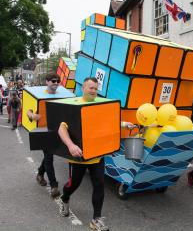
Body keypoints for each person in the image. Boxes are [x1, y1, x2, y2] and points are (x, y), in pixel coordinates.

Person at [58, 77, 128, 231]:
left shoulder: (100, 104)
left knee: (99, 185)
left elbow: (108, 121)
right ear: (83, 88)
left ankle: (96, 219)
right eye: (91, 88)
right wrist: (70, 145)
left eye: (96, 89)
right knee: (72, 185)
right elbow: (61, 128)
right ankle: (65, 198)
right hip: (79, 157)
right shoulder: (74, 105)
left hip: (97, 156)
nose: (94, 91)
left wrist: (122, 124)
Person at [30, 73, 61, 198]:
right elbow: (28, 109)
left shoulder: (61, 96)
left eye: (58, 81)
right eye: (53, 81)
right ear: (47, 82)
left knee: (48, 156)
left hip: (56, 131)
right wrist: (31, 115)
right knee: (49, 158)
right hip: (43, 132)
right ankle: (54, 186)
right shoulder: (39, 95)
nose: (56, 83)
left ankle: (40, 174)